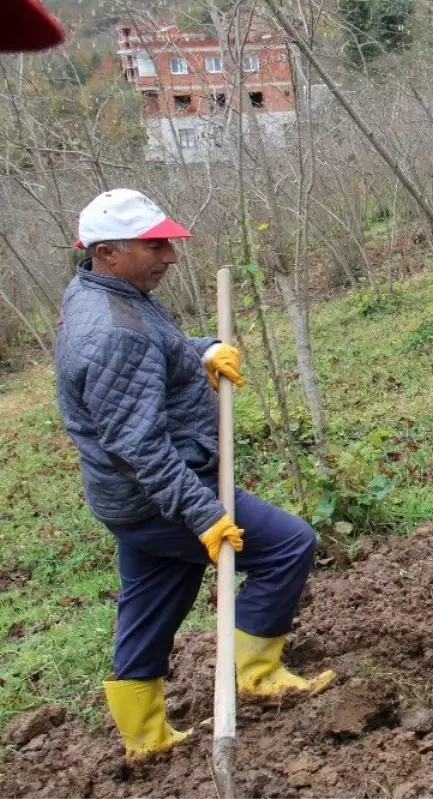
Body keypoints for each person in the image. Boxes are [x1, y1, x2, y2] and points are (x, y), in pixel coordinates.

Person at [55, 189, 336, 761]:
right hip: (162, 493)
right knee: (287, 545)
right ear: (106, 252)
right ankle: (257, 675)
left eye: (169, 241)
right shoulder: (113, 331)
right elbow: (139, 445)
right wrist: (205, 514)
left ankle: (146, 734)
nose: (169, 256)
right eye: (153, 245)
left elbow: (155, 349)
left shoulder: (105, 292)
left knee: (155, 594)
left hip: (126, 501)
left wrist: (200, 351)